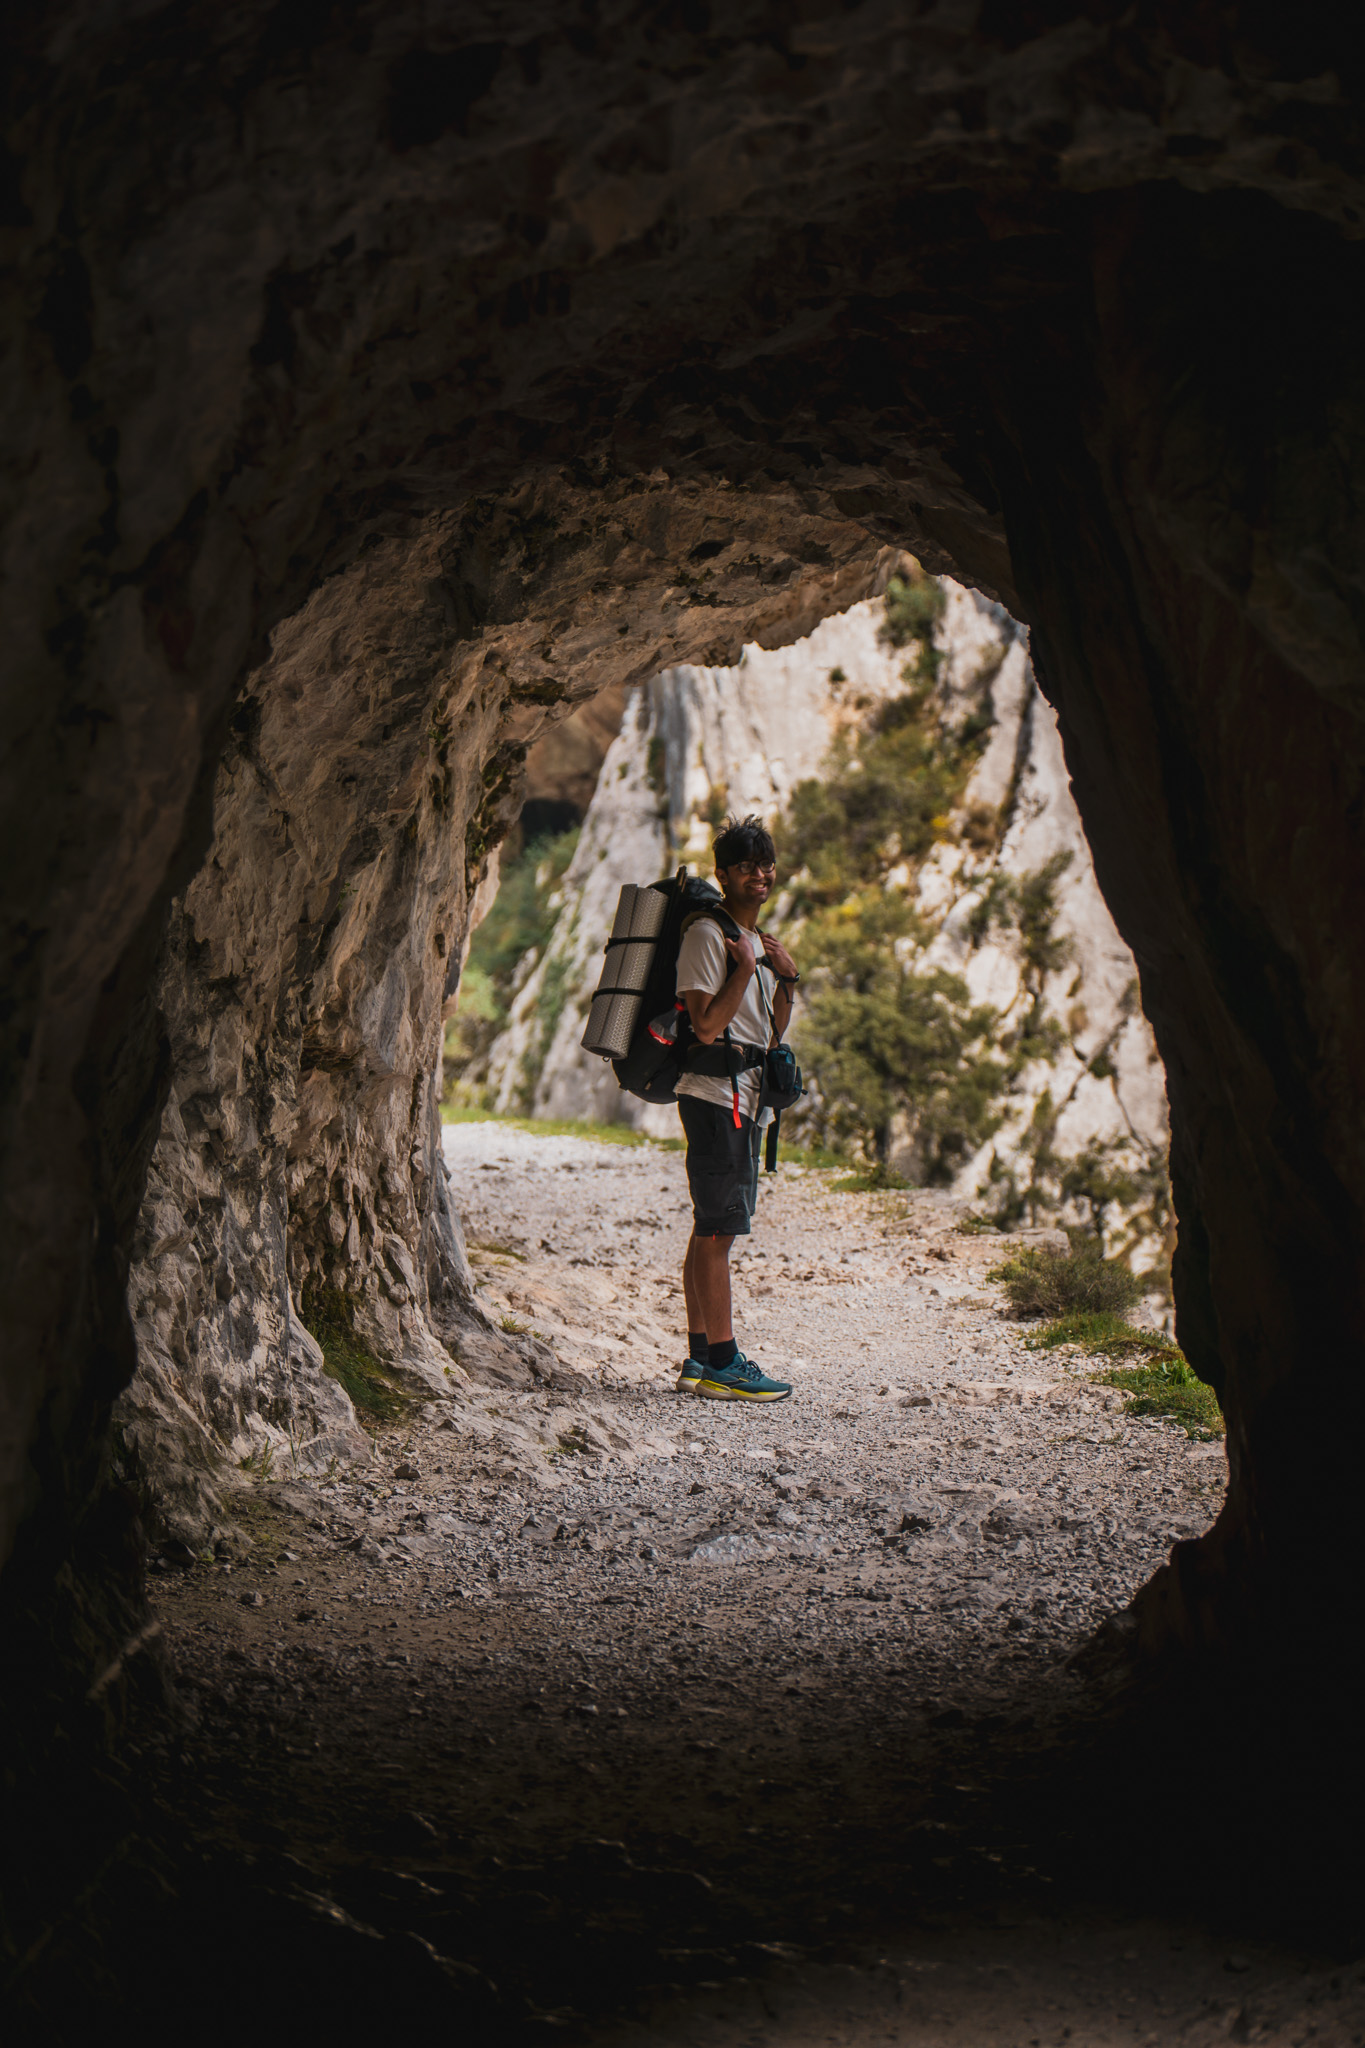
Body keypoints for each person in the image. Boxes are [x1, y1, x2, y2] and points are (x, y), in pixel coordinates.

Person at [673, 816, 800, 1401]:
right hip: (716, 1096)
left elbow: (766, 1034)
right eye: (746, 864)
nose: (760, 873)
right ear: (722, 873)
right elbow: (703, 1027)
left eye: (766, 863)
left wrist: (784, 982)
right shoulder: (707, 935)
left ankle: (700, 1360)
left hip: (744, 1098)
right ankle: (724, 1362)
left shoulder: (749, 940)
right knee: (721, 1229)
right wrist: (746, 966)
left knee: (710, 1227)